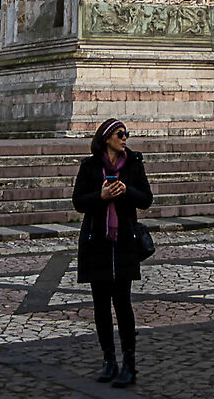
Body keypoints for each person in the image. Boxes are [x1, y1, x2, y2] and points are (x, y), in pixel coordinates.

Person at [72, 118, 152, 388]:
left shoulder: (133, 163)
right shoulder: (90, 166)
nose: (124, 138)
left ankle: (129, 363)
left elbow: (146, 199)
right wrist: (101, 196)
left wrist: (126, 190)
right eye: (120, 134)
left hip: (124, 242)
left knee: (123, 304)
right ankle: (109, 360)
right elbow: (79, 202)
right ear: (106, 138)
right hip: (98, 243)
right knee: (101, 306)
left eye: (126, 133)